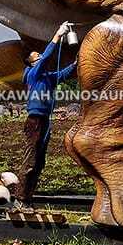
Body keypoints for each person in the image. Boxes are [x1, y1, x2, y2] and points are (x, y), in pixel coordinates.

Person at [13, 21, 78, 211]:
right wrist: (58, 34)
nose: (40, 56)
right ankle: (20, 199)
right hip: (34, 121)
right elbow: (47, 57)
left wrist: (76, 63)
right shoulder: (33, 74)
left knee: (39, 162)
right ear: (32, 62)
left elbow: (64, 73)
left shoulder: (47, 77)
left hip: (45, 121)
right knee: (31, 159)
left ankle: (27, 198)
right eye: (37, 56)